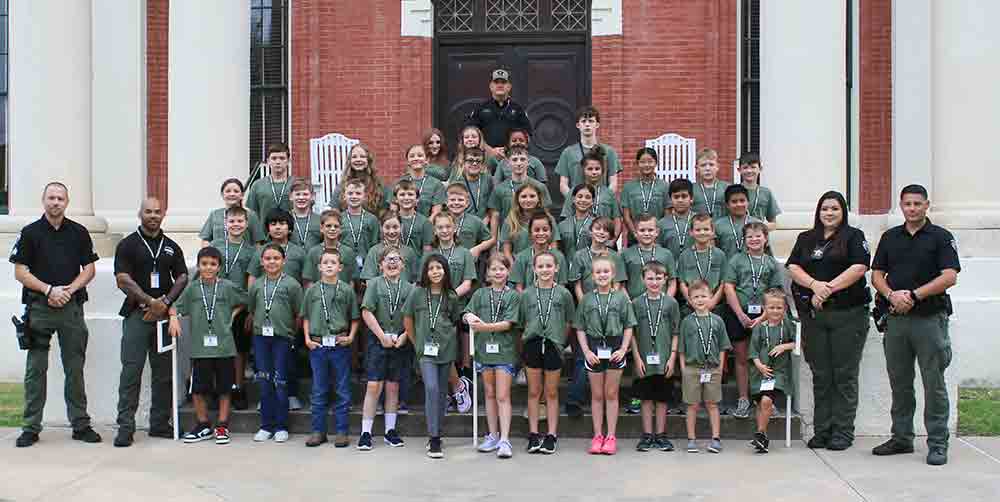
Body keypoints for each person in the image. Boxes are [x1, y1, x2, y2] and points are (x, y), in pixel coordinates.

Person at [870, 184, 960, 466]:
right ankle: (901, 438)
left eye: (917, 204)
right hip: (896, 321)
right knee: (900, 382)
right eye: (907, 204)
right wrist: (891, 295)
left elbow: (949, 276)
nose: (912, 208)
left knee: (933, 383)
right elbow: (876, 274)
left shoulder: (941, 238)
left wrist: (914, 295)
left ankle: (937, 443)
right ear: (901, 205)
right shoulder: (890, 237)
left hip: (929, 320)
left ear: (927, 205)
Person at [11, 182, 101, 448]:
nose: (55, 202)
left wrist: (69, 290)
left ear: (67, 202)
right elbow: (20, 271)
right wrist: (49, 290)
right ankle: (30, 427)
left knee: (75, 369)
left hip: (71, 309)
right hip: (39, 309)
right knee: (35, 370)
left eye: (60, 198)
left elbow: (90, 269)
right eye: (51, 197)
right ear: (43, 200)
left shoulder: (79, 232)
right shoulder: (30, 233)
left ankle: (80, 424)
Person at [785, 191, 870, 451]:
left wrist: (828, 289)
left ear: (842, 211)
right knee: (821, 374)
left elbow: (859, 267)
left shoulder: (854, 237)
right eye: (824, 209)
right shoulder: (806, 238)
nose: (829, 213)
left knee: (844, 375)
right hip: (815, 317)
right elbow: (793, 266)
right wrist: (814, 285)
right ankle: (822, 430)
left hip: (848, 314)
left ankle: (843, 432)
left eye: (834, 208)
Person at [112, 197, 189, 447]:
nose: (153, 215)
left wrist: (164, 303)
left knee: (163, 374)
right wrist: (149, 301)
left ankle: (158, 424)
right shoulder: (128, 244)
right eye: (148, 211)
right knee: (131, 372)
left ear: (163, 215)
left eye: (157, 212)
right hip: (137, 315)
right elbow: (122, 279)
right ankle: (125, 427)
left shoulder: (171, 246)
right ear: (140, 214)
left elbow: (182, 276)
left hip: (163, 319)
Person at [170, 246, 250, 445]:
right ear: (198, 266)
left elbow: (246, 299)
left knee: (224, 388)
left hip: (224, 346)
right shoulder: (192, 288)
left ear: (219, 267)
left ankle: (222, 425)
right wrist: (173, 317)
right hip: (200, 348)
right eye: (204, 264)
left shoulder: (227, 287)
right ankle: (203, 424)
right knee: (198, 389)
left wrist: (233, 314)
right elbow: (175, 306)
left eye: (213, 264)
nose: (208, 268)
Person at [403, 255, 463, 459]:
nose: (435, 271)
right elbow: (408, 320)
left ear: (445, 271)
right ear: (425, 272)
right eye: (431, 268)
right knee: (431, 387)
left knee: (440, 393)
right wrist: (417, 344)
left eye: (439, 268)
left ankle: (437, 432)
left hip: (445, 350)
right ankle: (433, 437)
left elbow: (455, 324)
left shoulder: (452, 296)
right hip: (425, 352)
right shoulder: (417, 293)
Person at [722, 222, 784, 419]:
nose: (754, 239)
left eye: (758, 236)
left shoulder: (771, 263)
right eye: (750, 236)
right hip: (739, 314)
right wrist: (740, 314)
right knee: (741, 358)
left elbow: (776, 293)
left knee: (763, 359)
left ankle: (763, 399)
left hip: (765, 316)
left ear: (766, 238)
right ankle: (743, 399)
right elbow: (729, 287)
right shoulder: (736, 260)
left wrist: (764, 316)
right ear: (744, 240)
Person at [577, 256, 638, 455]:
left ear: (613, 275)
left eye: (606, 272)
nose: (602, 275)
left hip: (614, 348)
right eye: (598, 272)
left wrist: (623, 349)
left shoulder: (621, 298)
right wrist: (586, 351)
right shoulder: (586, 299)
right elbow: (580, 328)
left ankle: (611, 436)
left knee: (611, 394)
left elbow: (629, 326)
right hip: (594, 348)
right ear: (592, 276)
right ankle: (597, 435)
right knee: (597, 395)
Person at [464, 254, 521, 459]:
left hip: (504, 351)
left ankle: (505, 439)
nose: (498, 273)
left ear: (508, 272)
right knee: (489, 394)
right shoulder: (480, 294)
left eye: (502, 269)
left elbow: (508, 324)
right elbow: (467, 312)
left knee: (502, 395)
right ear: (487, 273)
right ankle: (492, 435)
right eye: (494, 269)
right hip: (483, 350)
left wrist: (483, 327)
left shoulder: (513, 296)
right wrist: (468, 316)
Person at [302, 248, 360, 448]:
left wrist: (351, 337)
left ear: (340, 267)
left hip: (338, 344)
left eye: (333, 263)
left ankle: (342, 431)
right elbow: (306, 317)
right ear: (319, 267)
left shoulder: (346, 290)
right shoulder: (312, 290)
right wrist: (307, 338)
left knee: (342, 389)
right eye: (325, 262)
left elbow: (354, 318)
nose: (329, 266)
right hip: (317, 345)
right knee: (319, 389)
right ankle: (318, 431)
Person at [520, 251, 576, 455]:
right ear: (534, 269)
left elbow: (569, 321)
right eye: (541, 266)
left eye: (549, 266)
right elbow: (522, 321)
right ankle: (533, 434)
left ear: (557, 268)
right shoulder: (526, 294)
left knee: (551, 392)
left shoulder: (564, 293)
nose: (545, 270)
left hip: (554, 345)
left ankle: (551, 435)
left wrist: (560, 340)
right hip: (533, 344)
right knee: (534, 392)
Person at [358, 248, 414, 450]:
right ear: (380, 264)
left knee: (393, 387)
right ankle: (366, 433)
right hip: (378, 340)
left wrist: (404, 336)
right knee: (374, 386)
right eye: (388, 259)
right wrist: (381, 336)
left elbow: (413, 317)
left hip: (399, 341)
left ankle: (390, 431)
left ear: (403, 264)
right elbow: (366, 312)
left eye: (396, 259)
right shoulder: (373, 284)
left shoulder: (410, 288)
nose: (392, 263)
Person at [248, 244, 304, 443]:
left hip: (282, 338)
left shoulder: (292, 285)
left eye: (276, 258)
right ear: (262, 262)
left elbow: (299, 314)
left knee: (280, 382)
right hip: (261, 339)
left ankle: (281, 426)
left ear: (284, 261)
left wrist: (291, 335)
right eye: (268, 258)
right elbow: (253, 310)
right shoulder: (256, 285)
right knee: (264, 381)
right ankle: (266, 425)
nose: (272, 262)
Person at [630, 262, 680, 452]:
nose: (654, 282)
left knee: (662, 399)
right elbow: (632, 333)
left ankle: (660, 435)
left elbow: (675, 332)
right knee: (645, 398)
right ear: (643, 280)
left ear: (665, 279)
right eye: (650, 278)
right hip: (643, 360)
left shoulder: (671, 303)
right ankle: (647, 435)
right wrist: (637, 358)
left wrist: (672, 358)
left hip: (664, 359)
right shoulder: (636, 303)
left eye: (658, 278)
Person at [209, 205, 255, 410]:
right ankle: (218, 388)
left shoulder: (251, 250)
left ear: (246, 224)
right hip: (215, 306)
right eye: (232, 221)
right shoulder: (215, 246)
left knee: (238, 350)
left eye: (240, 221)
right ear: (225, 223)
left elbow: (251, 282)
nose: (236, 225)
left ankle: (238, 388)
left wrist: (245, 307)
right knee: (215, 349)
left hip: (239, 307)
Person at [679, 280, 732, 454]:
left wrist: (720, 368)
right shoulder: (686, 322)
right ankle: (691, 439)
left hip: (712, 368)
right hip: (692, 369)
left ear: (710, 297)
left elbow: (724, 347)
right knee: (692, 405)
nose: (700, 300)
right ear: (690, 300)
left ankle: (715, 439)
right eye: (696, 297)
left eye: (703, 296)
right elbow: (682, 349)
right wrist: (684, 369)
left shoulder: (718, 321)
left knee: (712, 404)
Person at [748, 288, 796, 454]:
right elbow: (753, 351)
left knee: (767, 401)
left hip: (778, 372)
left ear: (785, 309)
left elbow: (799, 342)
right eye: (771, 308)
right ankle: (762, 437)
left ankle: (760, 433)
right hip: (760, 372)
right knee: (760, 403)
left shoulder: (787, 325)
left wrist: (785, 346)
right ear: (764, 308)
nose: (775, 311)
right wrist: (759, 365)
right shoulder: (760, 327)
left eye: (779, 308)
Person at [487, 145, 553, 239]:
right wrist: (494, 247)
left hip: (536, 238)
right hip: (508, 238)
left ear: (528, 162)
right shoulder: (499, 189)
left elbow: (547, 214)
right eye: (514, 160)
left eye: (522, 159)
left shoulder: (539, 187)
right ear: (508, 163)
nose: (519, 163)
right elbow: (495, 217)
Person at [465, 68, 533, 158]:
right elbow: (470, 133)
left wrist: (508, 150)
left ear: (509, 87)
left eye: (503, 82)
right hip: (484, 158)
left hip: (511, 158)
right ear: (491, 86)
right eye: (496, 82)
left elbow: (527, 135)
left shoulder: (518, 109)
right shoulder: (480, 108)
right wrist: (490, 150)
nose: (500, 85)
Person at [558, 148, 623, 242]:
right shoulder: (574, 191)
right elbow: (566, 218)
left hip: (604, 240)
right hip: (579, 240)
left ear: (602, 170)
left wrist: (612, 241)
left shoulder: (609, 193)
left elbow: (617, 221)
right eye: (590, 169)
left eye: (597, 169)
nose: (594, 172)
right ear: (583, 170)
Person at [555, 106, 622, 196]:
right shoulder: (568, 152)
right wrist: (575, 200)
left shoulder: (609, 152)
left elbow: (613, 183)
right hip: (577, 204)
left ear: (597, 125)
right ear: (578, 125)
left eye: (591, 121)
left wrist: (603, 200)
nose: (587, 124)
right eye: (583, 121)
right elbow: (563, 185)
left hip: (602, 205)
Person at [676, 214, 728, 316]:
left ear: (712, 232)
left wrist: (713, 302)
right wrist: (692, 302)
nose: (702, 232)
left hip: (715, 306)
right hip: (691, 307)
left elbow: (723, 282)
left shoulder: (720, 255)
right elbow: (682, 283)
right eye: (698, 230)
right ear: (691, 232)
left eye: (706, 229)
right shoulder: (685, 255)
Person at [621, 214, 676, 300]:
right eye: (642, 230)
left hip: (660, 305)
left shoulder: (666, 254)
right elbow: (622, 285)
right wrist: (629, 304)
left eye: (650, 230)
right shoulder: (626, 254)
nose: (646, 234)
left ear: (657, 232)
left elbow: (672, 282)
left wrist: (666, 302)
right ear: (635, 233)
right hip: (634, 304)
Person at [500, 184, 561, 263]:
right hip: (519, 264)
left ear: (538, 198)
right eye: (523, 196)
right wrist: (513, 267)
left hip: (543, 265)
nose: (528, 200)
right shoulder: (510, 221)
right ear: (517, 199)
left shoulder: (549, 219)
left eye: (532, 196)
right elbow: (506, 251)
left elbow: (554, 245)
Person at [511, 210, 570, 291]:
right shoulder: (521, 257)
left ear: (551, 232)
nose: (541, 233)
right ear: (530, 232)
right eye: (537, 230)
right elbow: (519, 288)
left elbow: (562, 286)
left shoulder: (559, 257)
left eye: (545, 230)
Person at [569, 217, 627, 300]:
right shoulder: (579, 256)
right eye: (597, 228)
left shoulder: (616, 256)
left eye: (606, 230)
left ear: (610, 235)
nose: (601, 232)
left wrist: (610, 302)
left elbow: (617, 284)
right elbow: (577, 285)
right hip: (586, 301)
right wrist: (583, 303)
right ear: (590, 231)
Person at [246, 142, 295, 238]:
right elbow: (251, 213)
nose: (278, 162)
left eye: (282, 158)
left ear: (288, 161)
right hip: (264, 237)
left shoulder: (296, 184)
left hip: (292, 237)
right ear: (268, 161)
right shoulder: (258, 185)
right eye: (274, 158)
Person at [621, 148, 669, 246]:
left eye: (650, 161)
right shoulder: (628, 187)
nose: (646, 165)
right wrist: (635, 233)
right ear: (637, 164)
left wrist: (655, 234)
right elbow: (626, 216)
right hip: (634, 238)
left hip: (657, 238)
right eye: (642, 162)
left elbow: (667, 214)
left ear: (656, 163)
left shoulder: (664, 186)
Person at [199, 178, 265, 247]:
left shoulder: (251, 215)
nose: (232, 194)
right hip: (217, 256)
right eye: (228, 191)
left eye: (236, 191)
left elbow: (257, 243)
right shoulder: (214, 214)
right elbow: (205, 240)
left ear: (242, 195)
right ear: (222, 194)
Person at [302, 209, 359, 291]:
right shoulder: (313, 252)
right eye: (328, 226)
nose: (332, 229)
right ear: (321, 228)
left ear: (340, 229)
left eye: (336, 226)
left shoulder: (348, 252)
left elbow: (352, 280)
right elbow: (308, 281)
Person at [361, 211, 421, 285]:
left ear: (401, 227)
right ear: (381, 228)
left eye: (395, 227)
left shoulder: (409, 252)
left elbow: (415, 281)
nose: (391, 231)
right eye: (387, 227)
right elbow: (369, 281)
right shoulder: (374, 251)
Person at [332, 143, 391, 216]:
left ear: (368, 160)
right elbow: (335, 212)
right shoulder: (341, 187)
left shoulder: (379, 186)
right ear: (350, 161)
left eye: (362, 157)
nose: (358, 160)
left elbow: (384, 212)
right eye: (354, 157)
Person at [392, 144, 446, 218]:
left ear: (426, 160)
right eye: (412, 156)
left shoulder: (436, 184)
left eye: (420, 155)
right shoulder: (398, 183)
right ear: (407, 161)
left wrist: (424, 226)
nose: (416, 158)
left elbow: (436, 212)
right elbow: (393, 211)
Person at [445, 183, 494, 259]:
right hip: (444, 263)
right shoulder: (440, 219)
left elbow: (490, 240)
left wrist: (478, 249)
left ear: (467, 203)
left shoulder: (475, 221)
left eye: (460, 200)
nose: (456, 203)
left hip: (468, 263)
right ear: (446, 202)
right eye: (452, 200)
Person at [713, 184, 763, 258]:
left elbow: (766, 252)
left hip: (751, 267)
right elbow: (714, 252)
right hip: (726, 267)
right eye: (734, 201)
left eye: (742, 201)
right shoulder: (718, 225)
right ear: (727, 205)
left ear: (748, 202)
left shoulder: (758, 224)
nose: (739, 204)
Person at [737, 152, 781, 231]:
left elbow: (774, 224)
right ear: (739, 170)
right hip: (738, 236)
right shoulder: (733, 191)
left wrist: (759, 227)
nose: (749, 171)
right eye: (745, 167)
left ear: (760, 169)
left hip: (759, 239)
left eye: (753, 167)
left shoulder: (766, 193)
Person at [448, 146, 493, 220]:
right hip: (461, 222)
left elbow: (492, 206)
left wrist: (485, 221)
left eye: (478, 161)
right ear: (463, 162)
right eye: (470, 160)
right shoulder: (456, 181)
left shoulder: (487, 179)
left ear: (482, 164)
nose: (474, 164)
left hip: (483, 223)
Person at [394, 179, 435, 254]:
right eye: (402, 194)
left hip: (417, 264)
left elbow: (427, 251)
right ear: (396, 199)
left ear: (417, 199)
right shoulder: (391, 220)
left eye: (410, 194)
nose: (406, 198)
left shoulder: (425, 222)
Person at [658, 179, 695, 260]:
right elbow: (658, 251)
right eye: (676, 197)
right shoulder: (662, 224)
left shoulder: (699, 220)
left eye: (684, 196)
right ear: (670, 199)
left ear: (691, 198)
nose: (680, 200)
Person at [558, 184, 596, 263]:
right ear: (573, 199)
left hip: (590, 270)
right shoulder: (562, 225)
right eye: (580, 196)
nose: (583, 200)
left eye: (588, 197)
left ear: (592, 201)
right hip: (567, 269)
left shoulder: (597, 225)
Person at [691, 148, 729, 218]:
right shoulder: (691, 189)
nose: (707, 168)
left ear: (717, 167)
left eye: (711, 165)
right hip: (699, 227)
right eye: (703, 165)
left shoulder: (727, 187)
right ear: (696, 169)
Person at [288, 179, 323, 249]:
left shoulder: (320, 219)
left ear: (313, 196)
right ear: (291, 196)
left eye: (305, 194)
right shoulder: (285, 219)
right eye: (297, 194)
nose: (301, 198)